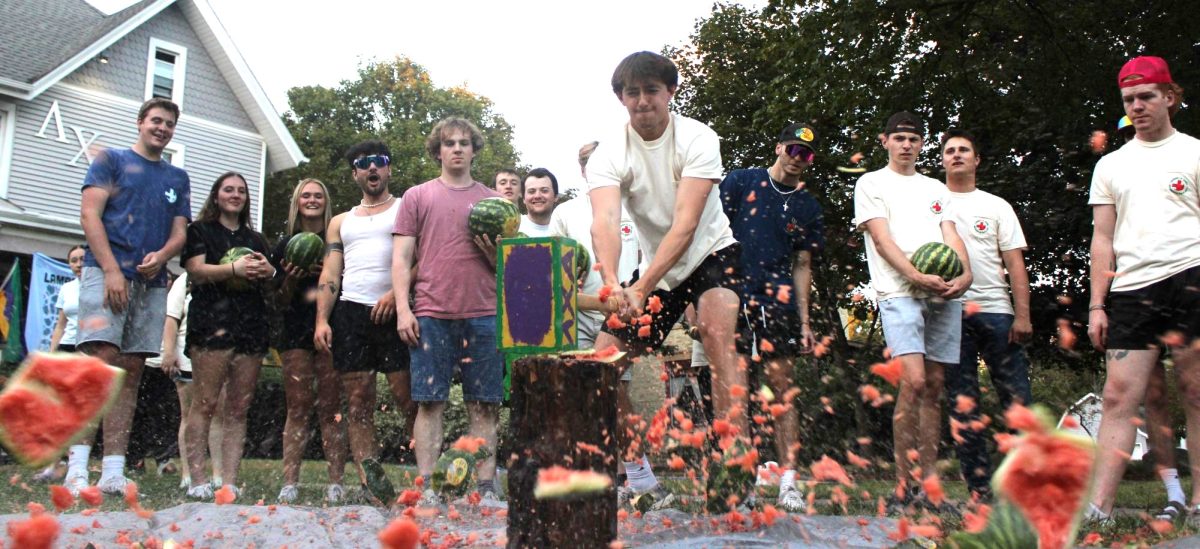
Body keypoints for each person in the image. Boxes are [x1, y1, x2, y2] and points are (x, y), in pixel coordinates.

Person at [587, 51, 745, 508]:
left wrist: (641, 287)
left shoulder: (698, 137)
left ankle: (734, 468)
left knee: (717, 335)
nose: (642, 101)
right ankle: (638, 476)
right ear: (621, 98)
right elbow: (604, 220)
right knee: (602, 366)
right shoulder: (609, 154)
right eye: (632, 93)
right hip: (657, 266)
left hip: (712, 252)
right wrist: (615, 283)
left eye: (651, 90)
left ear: (670, 92)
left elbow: (687, 223)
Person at [1085, 56, 1200, 523]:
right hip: (1131, 290)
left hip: (1191, 278)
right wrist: (1096, 304)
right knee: (1118, 398)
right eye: (1129, 100)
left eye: (1147, 97)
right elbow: (1103, 238)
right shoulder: (1111, 165)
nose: (1138, 107)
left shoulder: (1194, 151)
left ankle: (1197, 503)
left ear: (1169, 97)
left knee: (1195, 391)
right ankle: (1099, 509)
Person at [851, 111, 972, 512]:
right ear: (885, 141)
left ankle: (931, 488)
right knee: (914, 382)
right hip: (899, 292)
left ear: (922, 145)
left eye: (913, 139)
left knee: (935, 387)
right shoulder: (871, 183)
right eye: (899, 138)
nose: (906, 145)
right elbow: (882, 240)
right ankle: (904, 487)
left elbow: (950, 234)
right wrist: (916, 276)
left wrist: (966, 273)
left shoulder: (935, 188)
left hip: (942, 293)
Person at [72, 97, 192, 496]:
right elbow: (90, 215)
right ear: (141, 122)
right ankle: (76, 468)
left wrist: (163, 254)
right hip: (105, 273)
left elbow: (180, 232)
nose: (162, 128)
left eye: (169, 124)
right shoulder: (112, 161)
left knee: (130, 371)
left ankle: (112, 469)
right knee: (98, 367)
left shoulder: (177, 178)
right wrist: (110, 270)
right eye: (156, 121)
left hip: (151, 282)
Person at [393, 117, 504, 505]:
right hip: (431, 313)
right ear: (437, 151)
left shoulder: (497, 203)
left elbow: (507, 269)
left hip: (485, 313)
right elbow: (402, 256)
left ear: (474, 149)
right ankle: (428, 488)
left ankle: (487, 488)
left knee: (485, 403)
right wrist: (404, 311)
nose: (456, 149)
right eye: (449, 143)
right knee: (429, 402)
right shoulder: (417, 196)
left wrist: (496, 258)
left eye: (464, 143)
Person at [719, 122, 825, 512]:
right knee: (737, 393)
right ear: (780, 147)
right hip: (733, 298)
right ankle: (741, 481)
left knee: (782, 392)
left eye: (807, 154)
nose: (799, 158)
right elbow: (710, 236)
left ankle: (789, 483)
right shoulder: (740, 182)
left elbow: (802, 264)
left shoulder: (807, 206)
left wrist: (805, 322)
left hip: (778, 305)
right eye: (794, 149)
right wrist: (701, 305)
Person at [549, 141, 659, 507]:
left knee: (613, 393)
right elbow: (558, 277)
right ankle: (596, 475)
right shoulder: (566, 212)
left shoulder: (638, 205)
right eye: (585, 161)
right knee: (582, 397)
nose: (591, 166)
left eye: (598, 159)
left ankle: (636, 474)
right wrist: (590, 301)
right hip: (578, 317)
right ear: (580, 168)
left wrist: (632, 301)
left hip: (628, 315)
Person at [314, 140, 416, 506]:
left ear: (388, 169)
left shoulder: (408, 207)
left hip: (395, 310)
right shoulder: (340, 221)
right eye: (363, 164)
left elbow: (425, 258)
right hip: (351, 313)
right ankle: (369, 481)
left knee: (408, 398)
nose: (372, 169)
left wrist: (396, 293)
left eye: (379, 162)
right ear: (355, 173)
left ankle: (428, 474)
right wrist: (322, 319)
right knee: (357, 402)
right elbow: (330, 271)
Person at [940, 129, 1032, 502]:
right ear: (943, 160)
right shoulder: (932, 202)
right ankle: (979, 488)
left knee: (1018, 401)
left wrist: (1023, 315)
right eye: (950, 151)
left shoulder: (996, 206)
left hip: (997, 311)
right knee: (963, 404)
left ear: (976, 160)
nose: (957, 155)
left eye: (964, 150)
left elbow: (1015, 263)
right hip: (949, 313)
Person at [181, 172, 275, 500]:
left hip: (251, 325)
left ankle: (230, 481)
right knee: (205, 402)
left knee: (238, 407)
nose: (235, 195)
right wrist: (233, 270)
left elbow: (271, 275)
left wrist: (269, 271)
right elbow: (195, 270)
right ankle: (197, 479)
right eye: (228, 189)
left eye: (241, 191)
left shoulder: (257, 239)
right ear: (217, 195)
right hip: (210, 323)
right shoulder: (200, 231)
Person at [272, 178, 349, 504]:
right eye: (306, 195)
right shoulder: (284, 244)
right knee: (298, 407)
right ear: (297, 201)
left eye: (318, 195)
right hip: (295, 331)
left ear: (325, 202)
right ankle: (290, 481)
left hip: (331, 327)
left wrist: (327, 274)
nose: (312, 200)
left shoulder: (337, 241)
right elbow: (277, 300)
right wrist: (291, 276)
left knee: (331, 408)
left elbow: (343, 285)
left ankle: (336, 481)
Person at [158, 271, 225, 491]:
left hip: (219, 353)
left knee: (217, 414)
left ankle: (218, 474)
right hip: (187, 356)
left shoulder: (227, 274)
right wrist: (168, 352)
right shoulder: (185, 279)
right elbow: (171, 318)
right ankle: (188, 473)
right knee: (188, 415)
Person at [49, 245, 85, 353]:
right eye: (74, 261)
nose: (79, 264)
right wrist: (51, 352)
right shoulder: (66, 288)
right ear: (69, 264)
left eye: (83, 259)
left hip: (92, 346)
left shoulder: (103, 285)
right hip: (67, 345)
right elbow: (61, 325)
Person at [518, 168, 558, 237]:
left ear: (556, 197)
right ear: (524, 198)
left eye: (544, 191)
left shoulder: (565, 228)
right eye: (531, 191)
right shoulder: (512, 228)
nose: (537, 196)